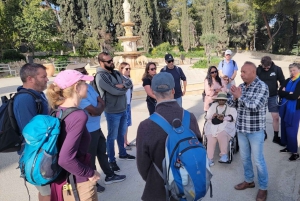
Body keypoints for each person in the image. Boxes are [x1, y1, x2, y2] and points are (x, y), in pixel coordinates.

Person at [136, 72, 201, 201]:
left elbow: (142, 166)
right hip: (189, 187)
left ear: (153, 93)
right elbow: (198, 148)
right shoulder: (190, 118)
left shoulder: (145, 126)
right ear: (173, 90)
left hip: (159, 190)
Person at [66, 63, 126, 193]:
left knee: (102, 152)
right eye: (82, 72)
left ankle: (109, 175)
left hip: (96, 127)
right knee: (90, 157)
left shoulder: (88, 87)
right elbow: (96, 110)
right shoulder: (77, 94)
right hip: (88, 130)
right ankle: (93, 182)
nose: (85, 73)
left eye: (85, 71)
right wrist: (98, 107)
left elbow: (101, 102)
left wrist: (98, 107)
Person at [47, 70, 100, 201]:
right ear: (76, 87)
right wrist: (90, 173)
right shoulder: (78, 116)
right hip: (77, 183)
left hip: (61, 180)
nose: (88, 86)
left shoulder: (56, 110)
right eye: (85, 83)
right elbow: (65, 159)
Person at [228, 61, 269, 201]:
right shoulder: (241, 87)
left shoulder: (262, 87)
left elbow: (255, 106)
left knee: (258, 160)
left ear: (253, 72)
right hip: (241, 129)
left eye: (244, 72)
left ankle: (263, 188)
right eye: (241, 72)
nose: (241, 74)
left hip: (255, 130)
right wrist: (233, 96)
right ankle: (249, 180)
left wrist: (240, 97)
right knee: (245, 158)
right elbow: (230, 104)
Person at [13, 63, 50, 201]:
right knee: (48, 192)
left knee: (47, 191)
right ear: (30, 79)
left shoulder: (37, 95)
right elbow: (30, 133)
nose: (47, 79)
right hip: (36, 155)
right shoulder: (25, 99)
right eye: (43, 76)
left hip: (43, 152)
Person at [95, 52, 135, 173]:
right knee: (111, 137)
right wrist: (121, 87)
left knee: (121, 133)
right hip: (112, 111)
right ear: (101, 62)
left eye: (111, 60)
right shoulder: (101, 76)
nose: (111, 62)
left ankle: (122, 153)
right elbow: (115, 91)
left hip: (123, 109)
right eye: (108, 61)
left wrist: (121, 85)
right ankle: (112, 160)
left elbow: (129, 82)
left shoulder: (116, 72)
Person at [257, 56, 285, 144]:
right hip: (261, 96)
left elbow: (282, 81)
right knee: (261, 117)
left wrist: (282, 90)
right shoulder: (258, 70)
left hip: (273, 96)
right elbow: (253, 81)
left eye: (267, 67)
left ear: (271, 64)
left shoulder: (277, 69)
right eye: (264, 67)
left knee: (276, 117)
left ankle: (276, 137)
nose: (265, 69)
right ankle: (263, 133)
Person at [204, 92, 237, 166]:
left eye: (223, 99)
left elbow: (233, 117)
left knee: (221, 134)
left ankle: (224, 155)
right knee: (211, 137)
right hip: (213, 124)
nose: (221, 101)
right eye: (219, 99)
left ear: (225, 100)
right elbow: (207, 116)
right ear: (217, 100)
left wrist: (224, 117)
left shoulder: (230, 106)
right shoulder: (213, 106)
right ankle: (210, 158)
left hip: (226, 124)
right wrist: (213, 116)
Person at [278, 63, 300, 161]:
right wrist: (288, 93)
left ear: (299, 70)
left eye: (294, 70)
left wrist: (286, 93)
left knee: (291, 129)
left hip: (294, 109)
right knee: (284, 127)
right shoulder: (288, 80)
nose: (292, 72)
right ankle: (288, 147)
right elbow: (279, 92)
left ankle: (295, 152)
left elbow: (295, 96)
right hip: (285, 107)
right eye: (290, 70)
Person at [118, 62, 133, 150]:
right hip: (123, 104)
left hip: (128, 103)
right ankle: (123, 143)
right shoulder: (120, 79)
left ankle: (125, 141)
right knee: (123, 124)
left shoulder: (128, 79)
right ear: (121, 69)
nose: (128, 70)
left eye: (129, 68)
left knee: (127, 123)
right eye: (126, 69)